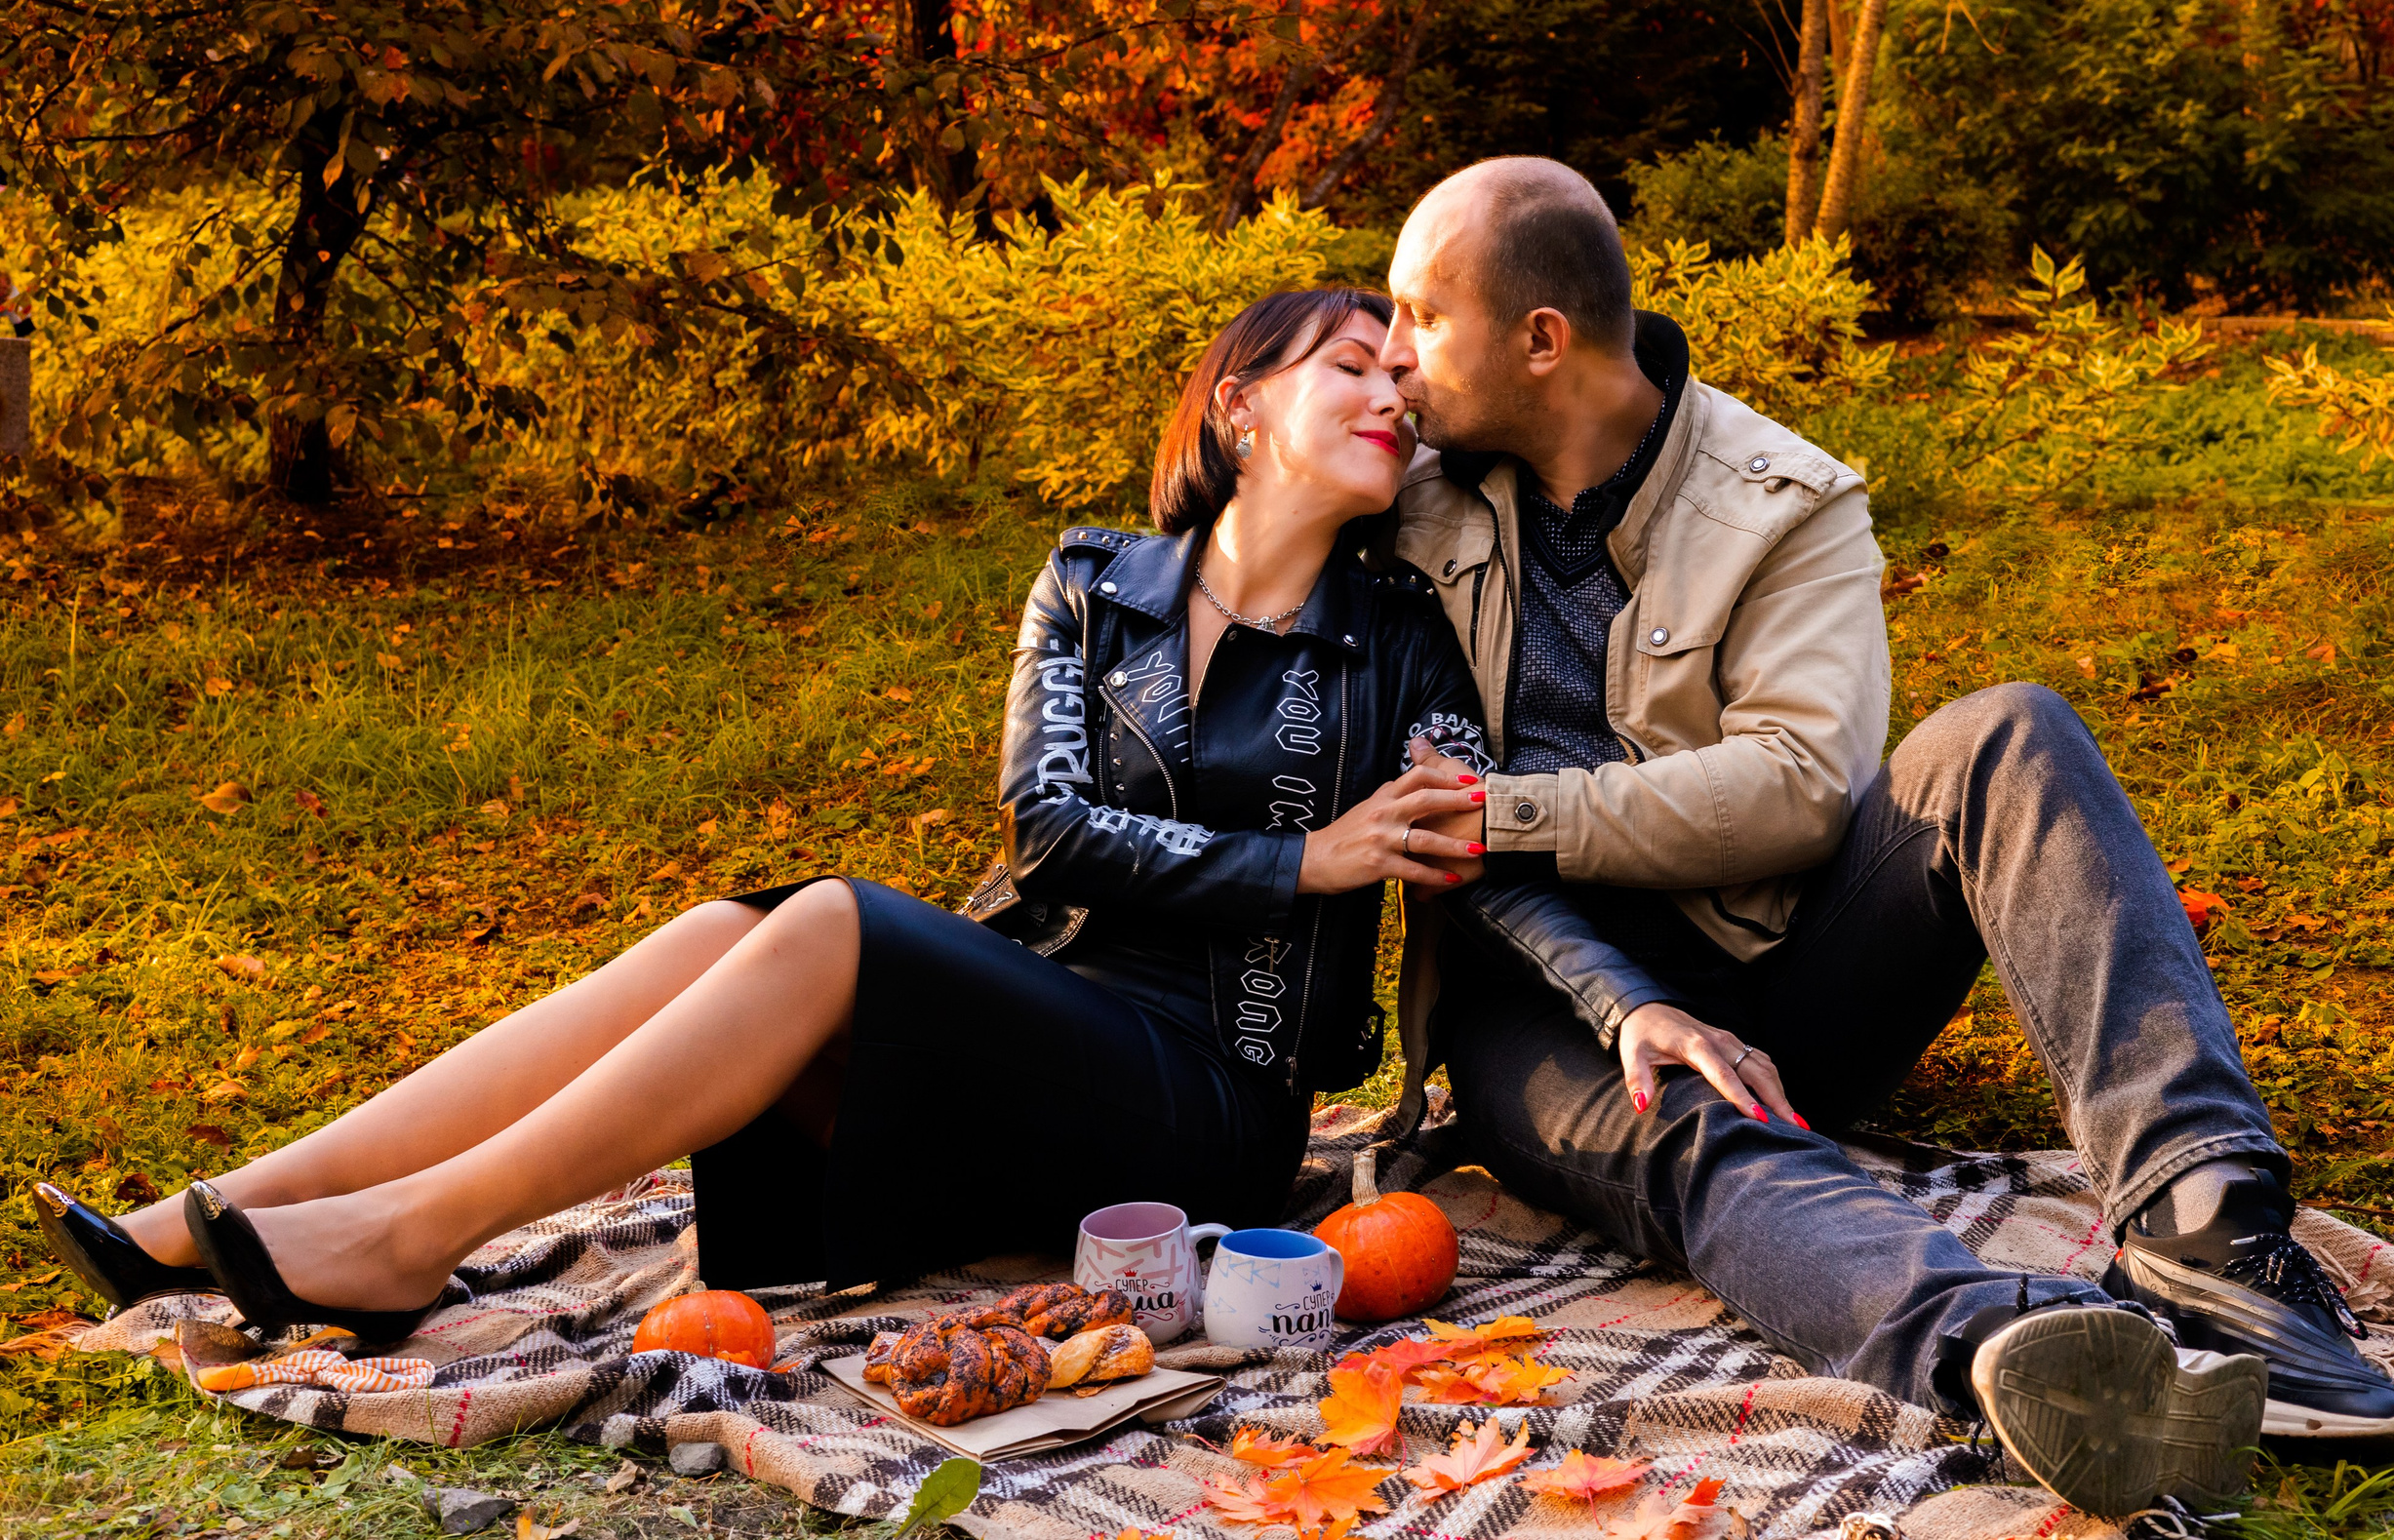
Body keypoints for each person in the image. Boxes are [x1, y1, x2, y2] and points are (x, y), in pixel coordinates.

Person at [30, 287, 1661, 1346]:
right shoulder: (1092, 583)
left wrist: (1634, 1004)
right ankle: (218, 1213)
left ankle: (409, 1238)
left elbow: (1488, 855)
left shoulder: (1403, 636)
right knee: (721, 932)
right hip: (1039, 1022)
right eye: (1352, 367)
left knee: (822, 919)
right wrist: (1299, 858)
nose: (1394, 394)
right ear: (1239, 403)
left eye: (1405, 377)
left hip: (1210, 1112)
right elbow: (1046, 833)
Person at [1373, 156, 2394, 1519]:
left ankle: (2210, 1229)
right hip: (1545, 1014)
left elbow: (1803, 786)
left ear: (1540, 338)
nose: (1394, 355)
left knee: (2010, 732)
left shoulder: (1781, 497)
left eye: (1419, 315)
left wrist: (1506, 814)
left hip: (1787, 966)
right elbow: (1233, 540)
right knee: (1702, 1131)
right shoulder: (1410, 497)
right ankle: (2030, 1356)